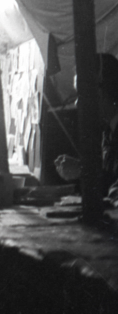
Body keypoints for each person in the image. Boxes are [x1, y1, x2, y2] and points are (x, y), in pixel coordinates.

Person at [55, 52, 118, 202]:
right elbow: (108, 179)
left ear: (101, 92)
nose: (77, 103)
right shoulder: (109, 129)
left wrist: (84, 170)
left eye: (82, 94)